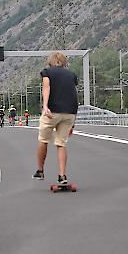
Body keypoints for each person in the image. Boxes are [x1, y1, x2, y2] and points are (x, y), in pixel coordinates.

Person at [34, 51, 78, 185]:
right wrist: (73, 122)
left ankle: (40, 170)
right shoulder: (72, 75)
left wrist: (45, 105)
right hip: (69, 112)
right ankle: (62, 175)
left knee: (43, 140)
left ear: (50, 62)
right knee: (61, 143)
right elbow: (74, 94)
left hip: (52, 111)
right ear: (64, 63)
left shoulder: (47, 72)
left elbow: (46, 87)